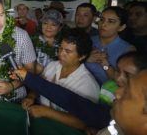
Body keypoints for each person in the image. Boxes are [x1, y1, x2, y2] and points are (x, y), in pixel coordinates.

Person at [11, 51, 147, 131]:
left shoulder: (88, 83)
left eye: (128, 94)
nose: (117, 92)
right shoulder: (108, 118)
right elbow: (73, 101)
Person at [20, 28, 99, 131]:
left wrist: (46, 112)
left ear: (82, 56)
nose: (61, 54)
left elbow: (83, 123)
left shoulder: (88, 85)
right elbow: (41, 86)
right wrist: (31, 96)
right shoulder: (52, 66)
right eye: (60, 48)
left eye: (68, 51)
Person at [86, 6, 135, 85]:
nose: (104, 24)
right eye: (102, 19)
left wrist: (105, 65)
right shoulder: (88, 40)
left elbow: (124, 83)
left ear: (121, 27)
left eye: (111, 21)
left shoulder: (128, 50)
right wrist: (86, 58)